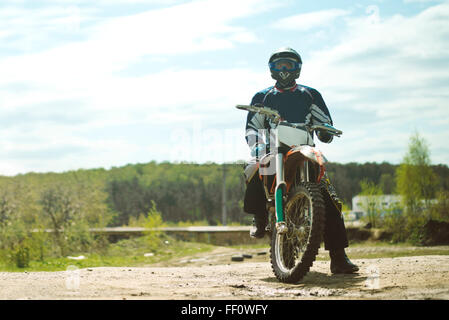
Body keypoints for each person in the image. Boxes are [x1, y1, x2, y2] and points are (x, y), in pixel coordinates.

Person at [242, 47, 359, 274]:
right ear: (271, 70)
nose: (284, 70)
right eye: (279, 66)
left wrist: (326, 132)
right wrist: (256, 146)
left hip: (304, 148)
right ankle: (258, 217)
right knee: (255, 168)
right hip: (273, 148)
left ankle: (338, 256)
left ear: (298, 68)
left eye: (289, 65)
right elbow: (252, 128)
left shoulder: (310, 94)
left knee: (330, 199)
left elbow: (325, 121)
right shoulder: (262, 97)